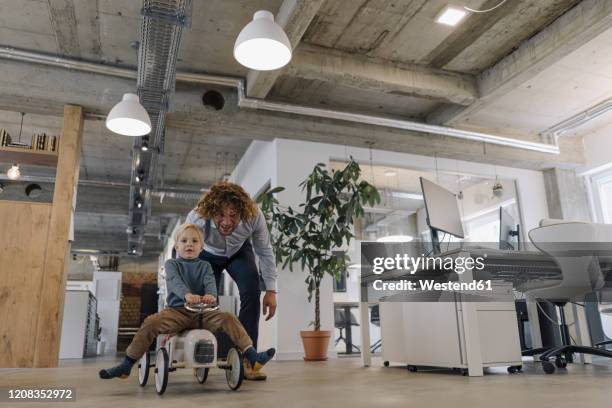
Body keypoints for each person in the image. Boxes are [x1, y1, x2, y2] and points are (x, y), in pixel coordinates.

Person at [98, 223, 275, 380]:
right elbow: (175, 282)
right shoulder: (171, 265)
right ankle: (127, 365)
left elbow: (210, 283)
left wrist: (211, 296)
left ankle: (252, 356)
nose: (189, 244)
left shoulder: (205, 265)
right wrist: (186, 295)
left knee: (228, 317)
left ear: (201, 247)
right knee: (151, 322)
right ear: (177, 246)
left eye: (194, 241)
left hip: (203, 313)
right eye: (184, 241)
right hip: (177, 312)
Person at [186, 181, 277, 380]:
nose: (227, 222)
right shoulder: (197, 217)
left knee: (252, 292)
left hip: (238, 252)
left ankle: (248, 360)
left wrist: (271, 290)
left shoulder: (254, 215)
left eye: (233, 215)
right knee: (206, 302)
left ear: (242, 212)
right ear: (211, 212)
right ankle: (202, 356)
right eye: (220, 215)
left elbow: (265, 251)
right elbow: (184, 251)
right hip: (207, 253)